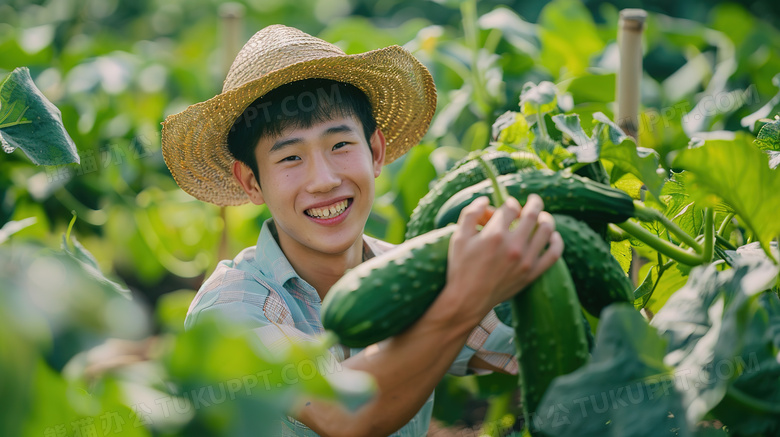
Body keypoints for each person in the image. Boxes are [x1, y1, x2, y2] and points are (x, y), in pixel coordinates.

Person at [161, 25, 563, 437]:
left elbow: (535, 351)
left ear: (375, 152)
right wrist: (463, 301)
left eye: (339, 146)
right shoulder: (230, 309)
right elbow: (344, 414)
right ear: (251, 182)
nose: (323, 180)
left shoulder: (411, 275)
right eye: (290, 158)